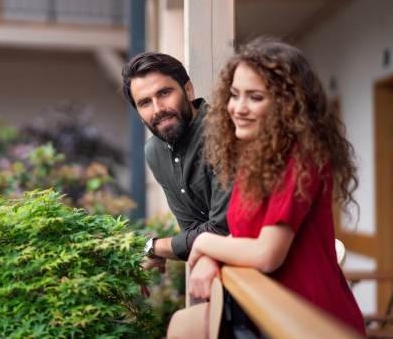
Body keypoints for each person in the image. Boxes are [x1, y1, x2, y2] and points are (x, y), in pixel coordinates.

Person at [186, 37, 366, 336]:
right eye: (234, 94)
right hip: (275, 316)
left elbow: (267, 253)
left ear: (287, 105)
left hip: (313, 320)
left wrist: (202, 243)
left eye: (255, 97)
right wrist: (209, 257)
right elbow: (244, 239)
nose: (238, 108)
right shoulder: (256, 160)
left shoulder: (301, 156)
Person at [119, 52, 231, 298]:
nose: (158, 109)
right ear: (138, 112)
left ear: (188, 91)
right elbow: (192, 231)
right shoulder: (154, 151)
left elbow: (222, 231)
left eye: (164, 93)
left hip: (264, 277)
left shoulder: (225, 132)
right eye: (145, 102)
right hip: (219, 280)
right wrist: (184, 245)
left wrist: (155, 247)